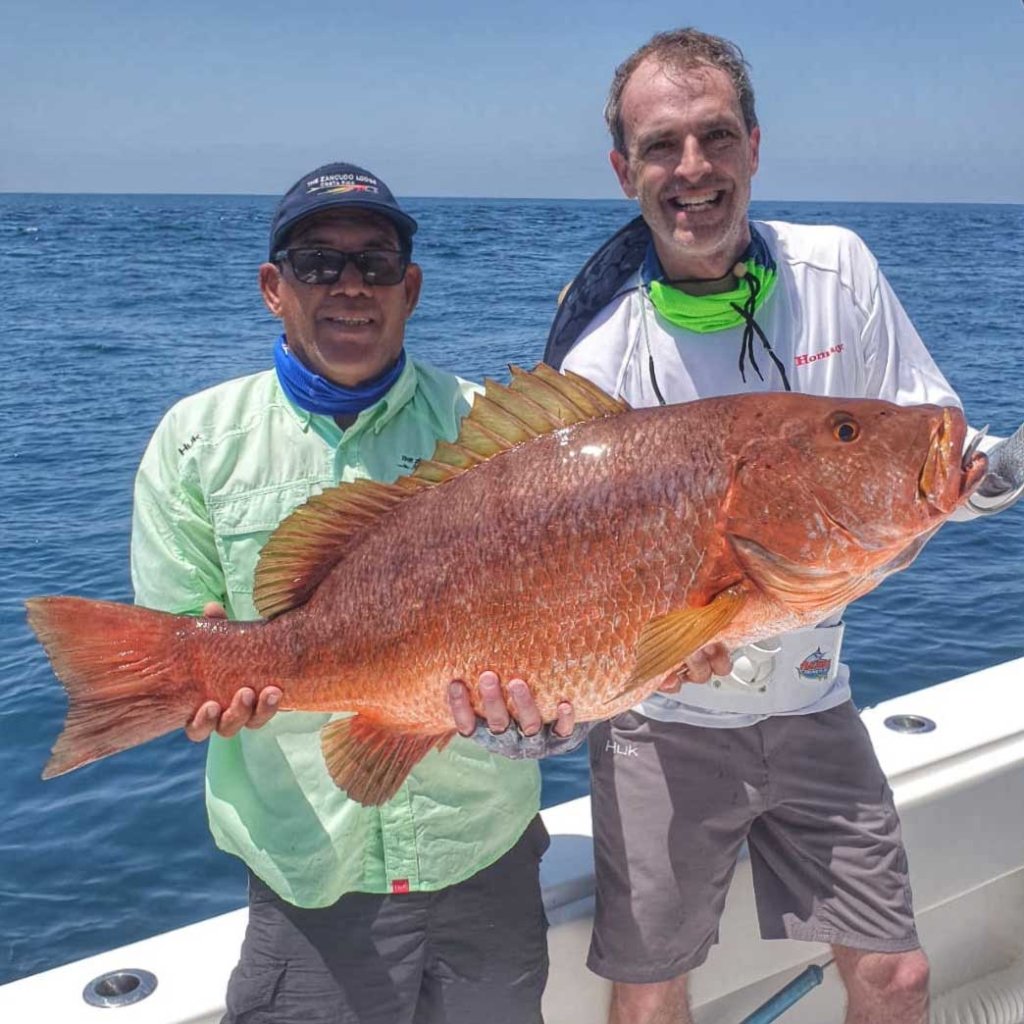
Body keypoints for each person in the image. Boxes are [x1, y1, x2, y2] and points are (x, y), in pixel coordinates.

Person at [542, 28, 1024, 1024]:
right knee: (648, 990)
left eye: (715, 136)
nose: (692, 168)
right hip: (662, 722)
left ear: (754, 146)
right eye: (660, 145)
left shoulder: (839, 269)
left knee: (899, 977)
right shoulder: (593, 349)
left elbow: (928, 442)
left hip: (814, 696)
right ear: (622, 168)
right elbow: (580, 574)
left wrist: (998, 473)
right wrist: (656, 648)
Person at [130, 161, 581, 1024]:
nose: (349, 286)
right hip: (311, 880)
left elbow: (565, 628)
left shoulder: (494, 431)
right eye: (316, 263)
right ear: (274, 287)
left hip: (482, 860)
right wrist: (199, 682)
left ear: (409, 288)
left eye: (375, 264)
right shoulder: (195, 442)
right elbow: (177, 638)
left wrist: (546, 725)